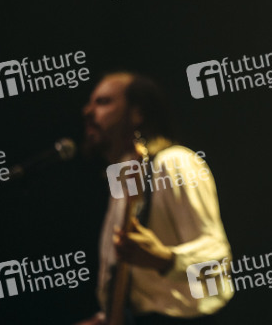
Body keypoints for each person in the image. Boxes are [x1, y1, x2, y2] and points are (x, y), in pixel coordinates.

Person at [76, 72, 233, 325]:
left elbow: (218, 255)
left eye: (103, 102)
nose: (88, 111)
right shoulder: (122, 177)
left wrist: (165, 259)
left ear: (137, 113)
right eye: (90, 102)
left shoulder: (174, 163)